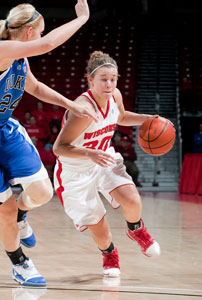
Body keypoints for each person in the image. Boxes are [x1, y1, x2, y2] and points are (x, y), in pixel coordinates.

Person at [0, 0, 98, 287]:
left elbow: (35, 87)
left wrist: (70, 104)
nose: (43, 38)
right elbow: (46, 46)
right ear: (30, 32)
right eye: (41, 32)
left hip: (4, 129)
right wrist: (81, 19)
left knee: (43, 192)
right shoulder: (2, 50)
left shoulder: (19, 59)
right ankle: (20, 264)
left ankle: (22, 213)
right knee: (2, 210)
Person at [53, 51, 161, 278]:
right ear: (90, 80)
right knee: (100, 230)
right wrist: (88, 153)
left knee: (132, 199)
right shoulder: (83, 110)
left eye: (113, 79)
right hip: (75, 171)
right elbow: (59, 147)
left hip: (103, 158)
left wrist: (147, 118)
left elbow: (120, 117)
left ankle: (136, 230)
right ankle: (109, 254)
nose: (109, 84)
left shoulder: (115, 95)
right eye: (103, 79)